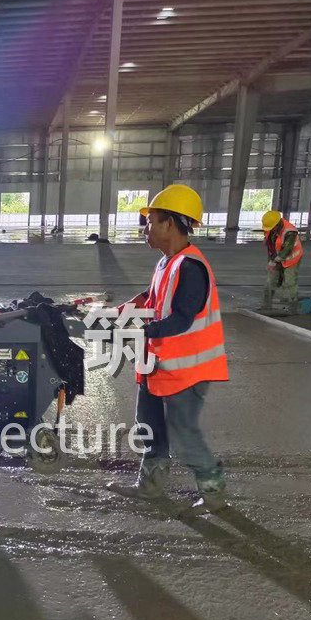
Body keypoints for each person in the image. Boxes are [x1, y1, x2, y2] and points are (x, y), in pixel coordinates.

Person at [111, 184, 230, 514]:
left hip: (187, 370)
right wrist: (120, 311)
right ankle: (149, 486)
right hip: (158, 364)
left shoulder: (191, 268)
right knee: (148, 424)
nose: (145, 229)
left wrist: (139, 330)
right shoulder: (168, 262)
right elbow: (151, 297)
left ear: (170, 223)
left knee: (182, 434)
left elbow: (181, 318)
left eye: (150, 222)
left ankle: (213, 493)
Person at [261, 210, 303, 312]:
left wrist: (275, 260)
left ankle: (293, 307)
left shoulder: (290, 231)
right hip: (275, 257)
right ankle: (266, 306)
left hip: (291, 259)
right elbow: (270, 245)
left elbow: (287, 249)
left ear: (277, 224)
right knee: (270, 281)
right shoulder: (270, 229)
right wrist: (271, 260)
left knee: (290, 282)